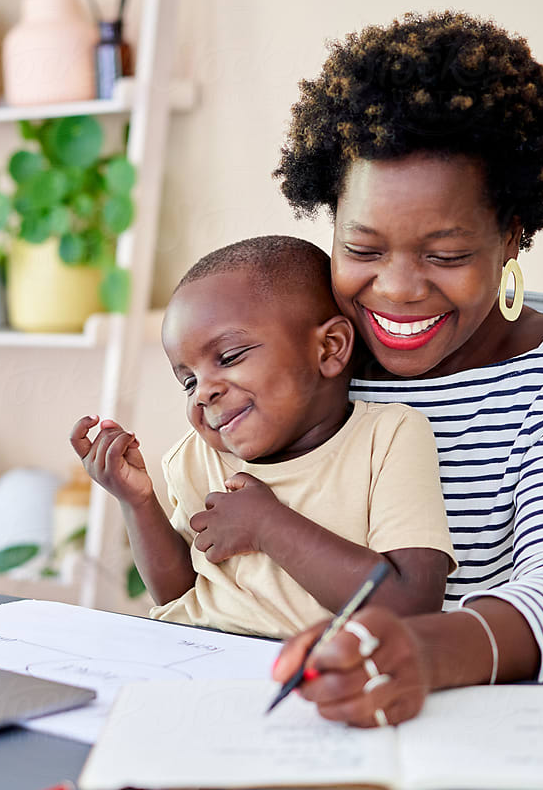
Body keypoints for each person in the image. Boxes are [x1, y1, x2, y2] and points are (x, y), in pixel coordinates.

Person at [269, 11, 543, 727]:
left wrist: (421, 652)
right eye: (363, 250)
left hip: (475, 736)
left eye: (446, 255)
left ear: (512, 234)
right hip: (300, 719)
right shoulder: (316, 346)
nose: (398, 290)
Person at [70, 235, 455, 639]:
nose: (203, 392)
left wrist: (268, 526)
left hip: (315, 679)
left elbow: (411, 605)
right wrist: (139, 502)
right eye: (188, 381)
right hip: (191, 658)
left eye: (230, 357)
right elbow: (179, 594)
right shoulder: (195, 457)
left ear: (329, 348)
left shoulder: (388, 438)